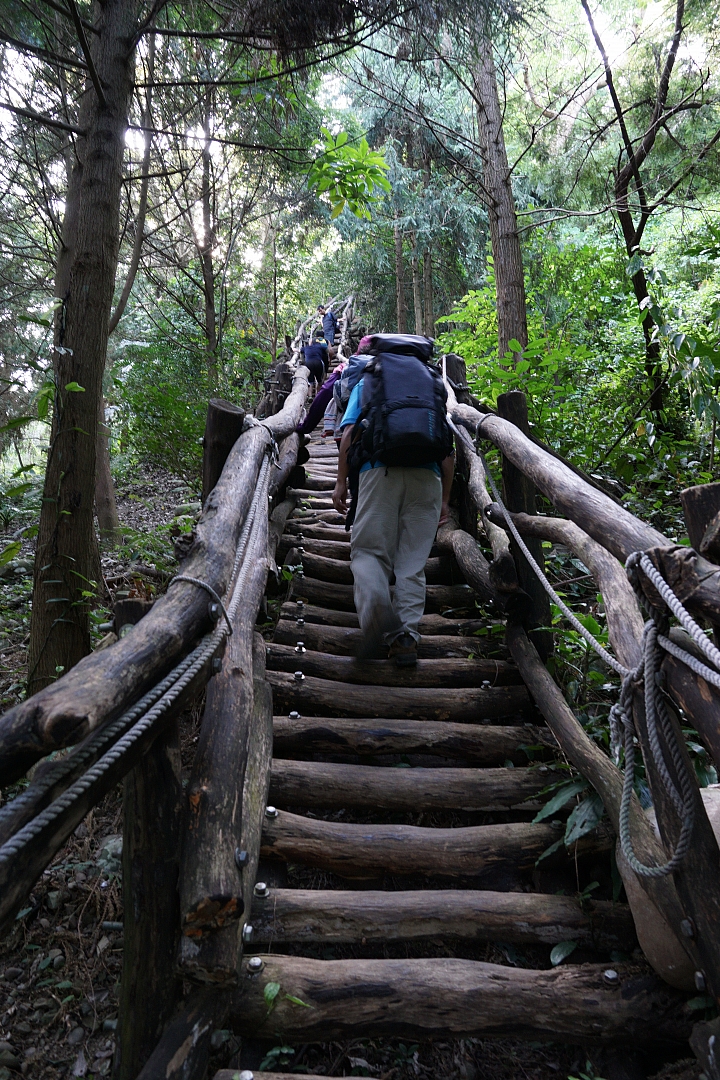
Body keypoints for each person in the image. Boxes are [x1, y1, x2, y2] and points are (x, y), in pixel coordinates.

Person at [332, 334, 454, 667]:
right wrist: (444, 499)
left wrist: (341, 482)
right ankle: (406, 639)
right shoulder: (431, 382)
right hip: (427, 477)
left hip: (379, 471)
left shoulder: (371, 378)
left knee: (369, 551)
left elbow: (348, 434)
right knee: (412, 564)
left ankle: (378, 614)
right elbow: (447, 447)